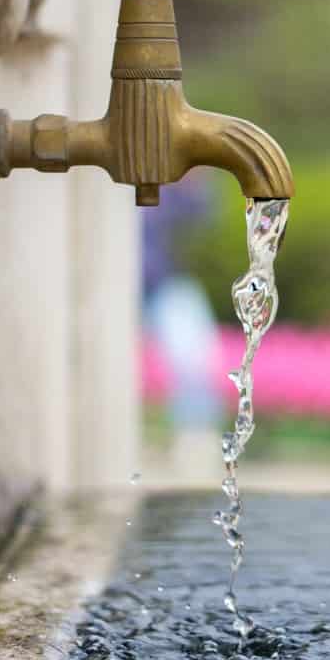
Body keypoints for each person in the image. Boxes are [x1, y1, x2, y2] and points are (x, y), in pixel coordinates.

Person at [142, 173, 223, 484]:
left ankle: (196, 443)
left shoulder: (166, 183)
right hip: (113, 288)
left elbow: (201, 211)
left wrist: (189, 177)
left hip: (161, 284)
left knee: (193, 354)